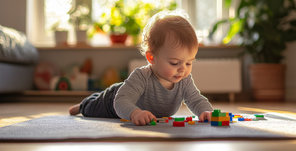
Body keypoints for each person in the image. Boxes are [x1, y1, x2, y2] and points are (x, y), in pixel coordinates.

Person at [68, 10, 213, 126]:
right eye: (175, 63)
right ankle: (82, 105)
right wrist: (135, 113)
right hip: (113, 100)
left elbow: (196, 100)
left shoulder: (184, 80)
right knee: (93, 107)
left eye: (189, 63)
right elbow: (120, 102)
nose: (183, 69)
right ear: (151, 58)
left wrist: (207, 111)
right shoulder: (142, 76)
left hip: (136, 106)